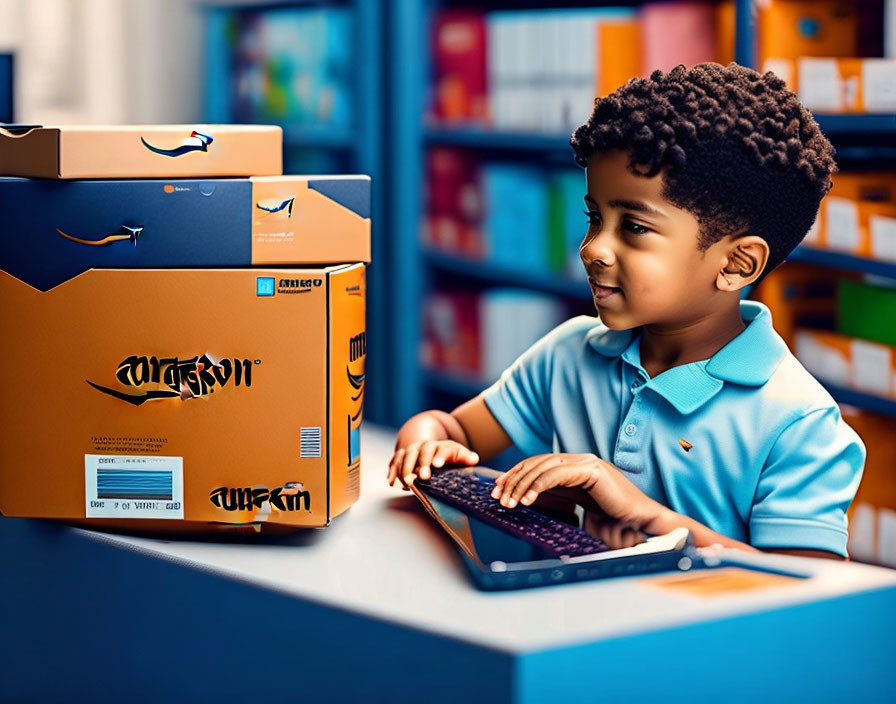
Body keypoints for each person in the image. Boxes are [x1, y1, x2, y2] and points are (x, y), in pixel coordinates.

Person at [387, 62, 864, 560]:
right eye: (595, 217)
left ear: (737, 263)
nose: (593, 248)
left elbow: (808, 594)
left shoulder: (798, 421)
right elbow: (457, 431)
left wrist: (649, 517)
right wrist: (426, 442)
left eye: (633, 227)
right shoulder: (569, 354)